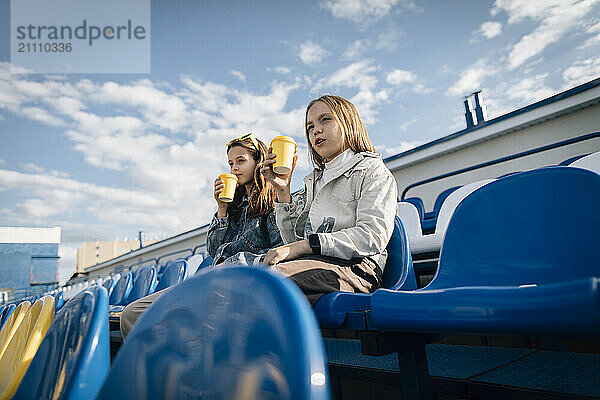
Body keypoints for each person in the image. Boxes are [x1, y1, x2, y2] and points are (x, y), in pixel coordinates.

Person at [120, 133, 283, 338]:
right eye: (231, 163)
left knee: (180, 323)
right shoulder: (235, 206)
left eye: (241, 161)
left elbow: (279, 253)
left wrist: (234, 265)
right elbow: (214, 251)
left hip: (242, 286)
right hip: (213, 282)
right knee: (132, 314)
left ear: (258, 162)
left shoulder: (275, 203)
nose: (234, 168)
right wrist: (222, 208)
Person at [260, 95, 397, 306]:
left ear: (349, 123)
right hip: (313, 264)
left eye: (325, 119)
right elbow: (292, 243)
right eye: (310, 127)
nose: (316, 130)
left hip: (358, 267)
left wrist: (306, 246)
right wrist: (283, 191)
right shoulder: (314, 180)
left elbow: (372, 236)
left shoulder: (373, 170)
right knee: (242, 280)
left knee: (268, 284)